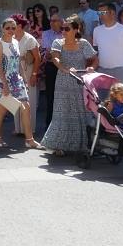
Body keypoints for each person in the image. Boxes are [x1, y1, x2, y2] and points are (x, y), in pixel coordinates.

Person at [41, 15, 98, 156]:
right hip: (63, 81)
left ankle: (83, 144)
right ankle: (58, 145)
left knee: (80, 112)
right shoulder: (58, 42)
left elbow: (95, 59)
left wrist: (91, 67)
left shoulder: (84, 43)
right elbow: (55, 57)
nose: (63, 31)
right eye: (62, 29)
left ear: (76, 29)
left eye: (67, 28)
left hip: (80, 81)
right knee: (62, 113)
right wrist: (63, 68)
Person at [0, 18, 43, 150]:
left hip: (17, 79)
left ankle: (29, 140)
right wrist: (5, 85)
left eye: (13, 28)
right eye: (8, 28)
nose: (11, 30)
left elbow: (18, 62)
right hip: (5, 80)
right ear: (2, 29)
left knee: (26, 107)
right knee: (2, 110)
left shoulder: (15, 42)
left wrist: (24, 78)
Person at [91, 3, 123, 93]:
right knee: (104, 102)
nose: (100, 16)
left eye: (102, 13)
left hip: (121, 72)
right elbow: (96, 51)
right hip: (102, 71)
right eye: (99, 13)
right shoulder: (97, 30)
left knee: (122, 102)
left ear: (112, 13)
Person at [12, 17, 42, 134]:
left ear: (20, 25)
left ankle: (29, 129)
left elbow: (37, 58)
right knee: (16, 99)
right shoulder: (12, 38)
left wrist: (34, 74)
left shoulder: (29, 39)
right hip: (14, 70)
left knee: (29, 99)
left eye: (14, 24)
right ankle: (18, 128)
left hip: (27, 70)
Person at [40, 14, 65, 127]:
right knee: (51, 96)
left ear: (61, 21)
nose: (52, 23)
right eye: (51, 21)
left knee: (64, 96)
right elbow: (48, 53)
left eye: (55, 20)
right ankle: (49, 124)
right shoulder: (46, 33)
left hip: (65, 66)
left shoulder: (66, 32)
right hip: (51, 67)